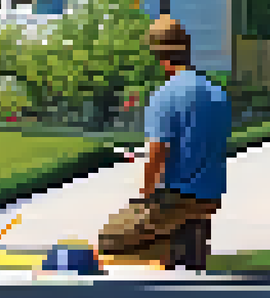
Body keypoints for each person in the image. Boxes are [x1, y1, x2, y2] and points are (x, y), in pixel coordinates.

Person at [98, 15, 232, 271]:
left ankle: (162, 266)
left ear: (160, 57)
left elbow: (158, 154)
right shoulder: (218, 94)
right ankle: (188, 257)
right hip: (211, 195)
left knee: (109, 238)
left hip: (177, 198)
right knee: (181, 224)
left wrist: (144, 199)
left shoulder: (165, 96)